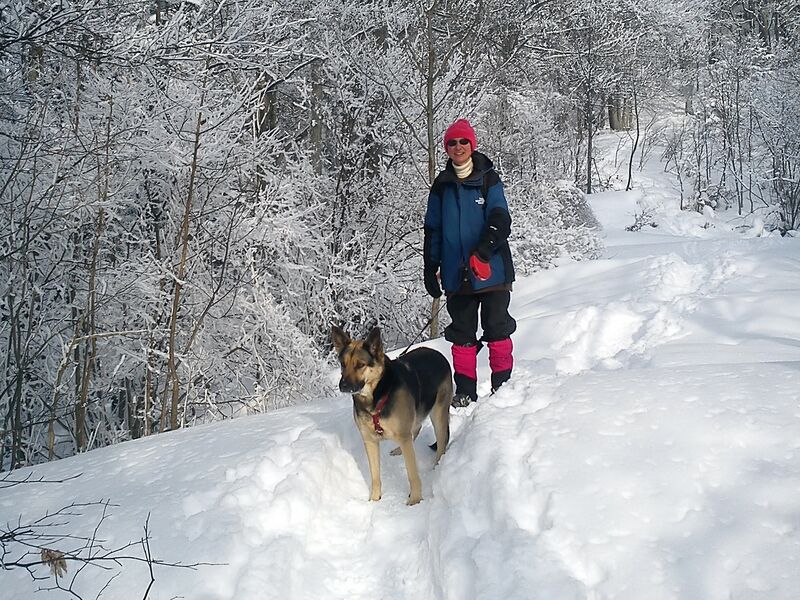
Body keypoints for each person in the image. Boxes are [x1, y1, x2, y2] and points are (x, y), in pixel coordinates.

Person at [423, 119, 516, 407]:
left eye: (463, 141)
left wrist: (484, 250)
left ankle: (503, 388)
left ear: (472, 145)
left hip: (492, 271)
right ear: (446, 148)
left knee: (497, 327)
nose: (458, 147)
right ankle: (464, 392)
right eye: (452, 142)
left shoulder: (489, 178)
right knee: (462, 334)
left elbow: (501, 219)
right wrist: (430, 265)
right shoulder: (441, 186)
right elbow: (433, 229)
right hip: (456, 275)